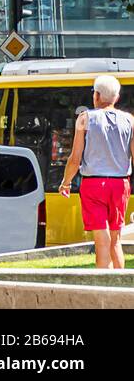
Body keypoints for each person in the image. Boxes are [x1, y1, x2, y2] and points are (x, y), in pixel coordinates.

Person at [59, 74, 134, 269]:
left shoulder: (85, 119)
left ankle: (103, 287)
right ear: (116, 97)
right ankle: (121, 288)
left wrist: (66, 182)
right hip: (120, 184)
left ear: (97, 96)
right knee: (116, 239)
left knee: (102, 240)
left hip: (93, 185)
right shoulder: (130, 120)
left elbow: (75, 159)